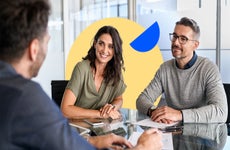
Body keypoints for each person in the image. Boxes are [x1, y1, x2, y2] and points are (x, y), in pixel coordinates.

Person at [0, 0, 163, 149]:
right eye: (47, 40)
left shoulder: (11, 91)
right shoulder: (27, 98)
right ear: (34, 49)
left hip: (90, 134)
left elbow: (59, 141)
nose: (105, 50)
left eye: (111, 47)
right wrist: (142, 147)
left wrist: (93, 140)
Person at [136, 17, 228, 124]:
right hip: (172, 132)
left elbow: (221, 111)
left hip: (202, 135)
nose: (176, 42)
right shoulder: (165, 69)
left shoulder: (208, 68)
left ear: (195, 45)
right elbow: (142, 99)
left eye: (183, 39)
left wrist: (179, 114)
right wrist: (154, 111)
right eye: (174, 36)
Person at [61, 25, 126, 119]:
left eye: (110, 46)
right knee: (112, 135)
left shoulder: (116, 71)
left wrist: (112, 108)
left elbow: (119, 99)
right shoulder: (81, 68)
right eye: (101, 44)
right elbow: (65, 110)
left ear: (115, 50)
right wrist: (100, 114)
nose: (105, 50)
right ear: (95, 44)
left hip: (100, 128)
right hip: (77, 128)